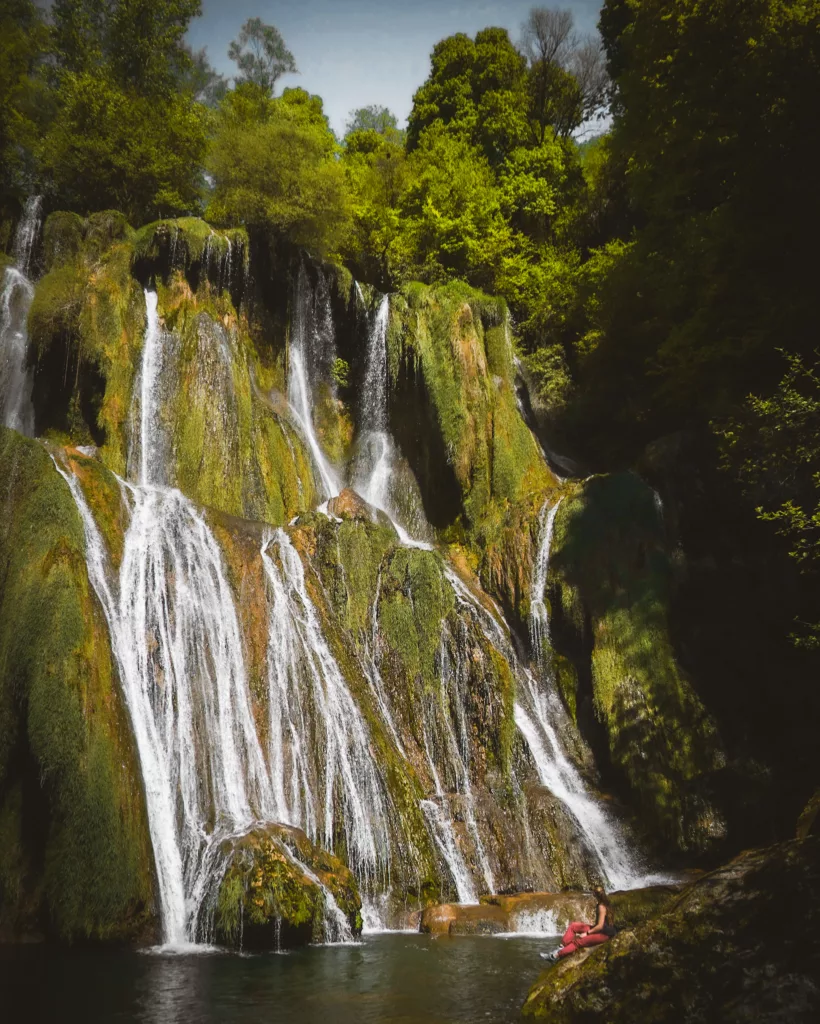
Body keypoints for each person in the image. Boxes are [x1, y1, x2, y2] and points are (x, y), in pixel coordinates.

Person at [540, 886, 616, 963]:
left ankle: (555, 956)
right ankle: (561, 947)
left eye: (593, 893)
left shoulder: (601, 907)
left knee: (578, 941)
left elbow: (600, 926)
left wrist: (586, 933)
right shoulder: (605, 903)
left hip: (604, 934)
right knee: (573, 926)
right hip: (600, 930)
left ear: (595, 894)